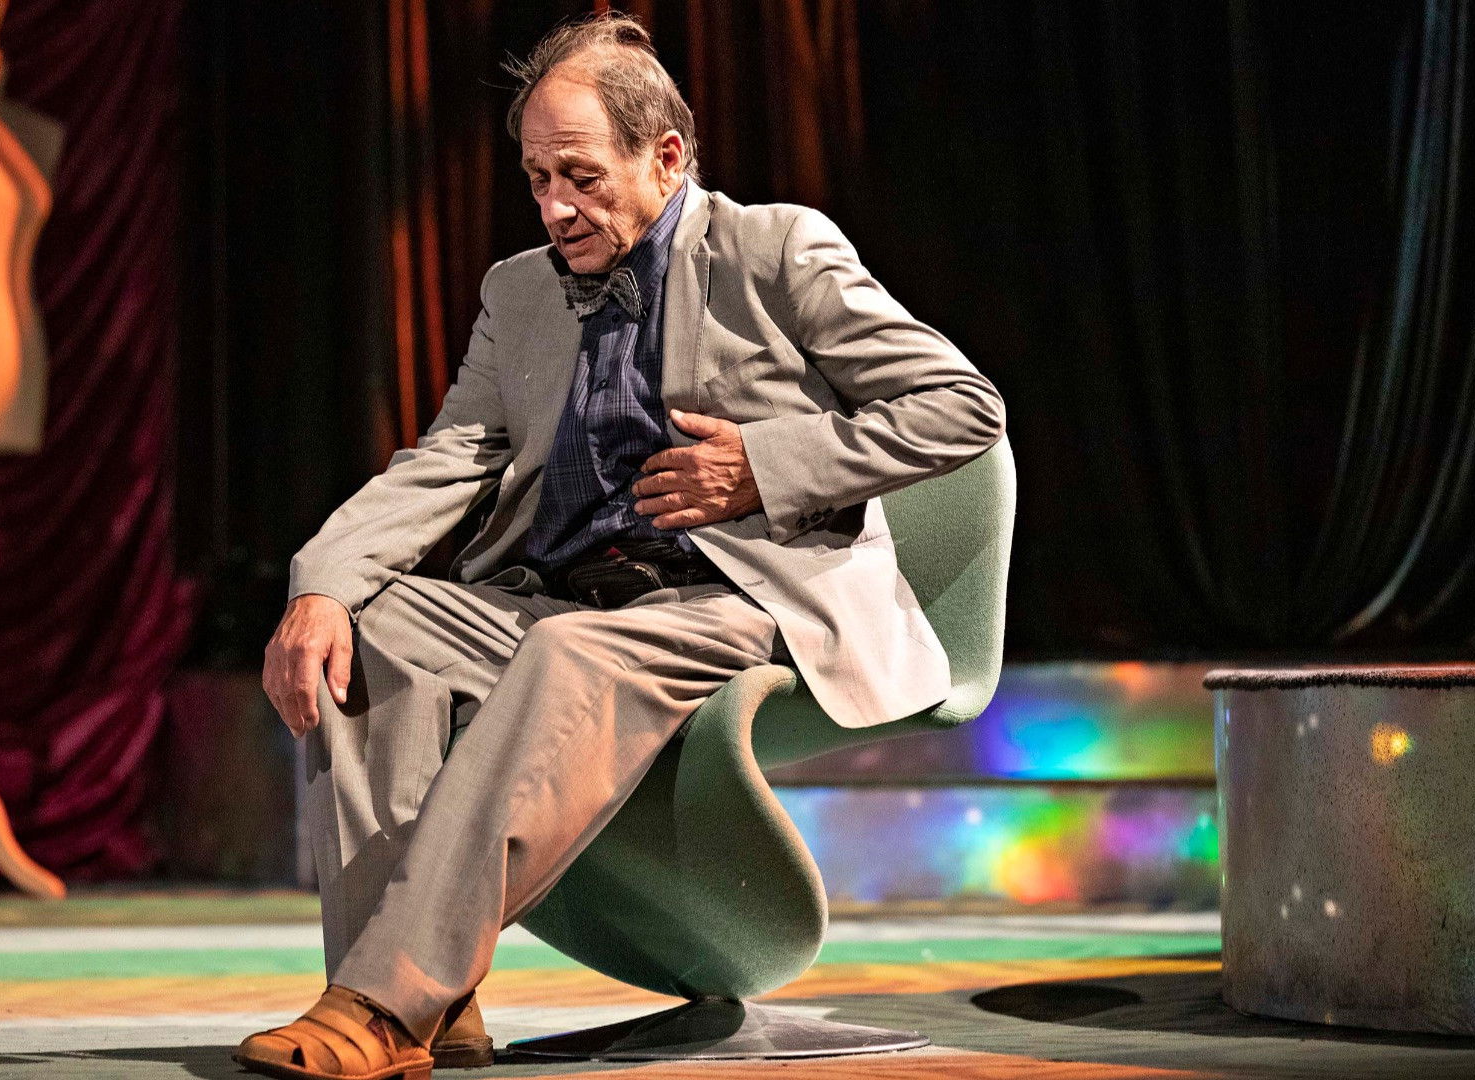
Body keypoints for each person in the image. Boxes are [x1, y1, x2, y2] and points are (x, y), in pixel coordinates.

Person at [236, 12, 1004, 1080]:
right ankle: (427, 1007)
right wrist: (320, 586)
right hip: (565, 596)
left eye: (582, 177)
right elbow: (449, 457)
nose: (557, 206)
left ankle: (384, 1001)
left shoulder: (776, 249)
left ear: (666, 157)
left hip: (736, 601)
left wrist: (765, 465)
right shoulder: (518, 291)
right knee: (379, 630)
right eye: (538, 178)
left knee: (572, 655)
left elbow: (962, 407)